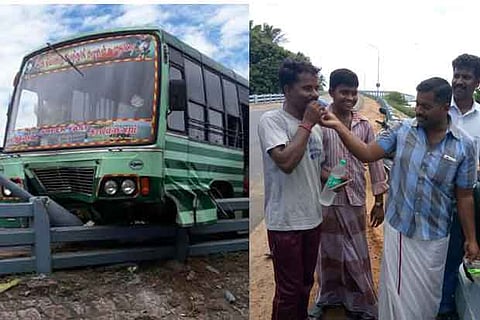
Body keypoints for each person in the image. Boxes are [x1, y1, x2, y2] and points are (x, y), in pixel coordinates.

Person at [319, 77, 480, 320]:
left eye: (425, 106)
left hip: (435, 236)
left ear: (445, 108)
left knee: (428, 298)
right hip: (401, 231)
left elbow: (465, 195)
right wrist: (339, 127)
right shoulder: (401, 131)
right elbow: (367, 153)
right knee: (397, 297)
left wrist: (471, 239)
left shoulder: (464, 146)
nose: (418, 110)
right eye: (417, 104)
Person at [309, 69, 388, 320]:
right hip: (326, 199)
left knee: (356, 251)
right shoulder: (318, 123)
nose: (350, 98)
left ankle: (362, 301)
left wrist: (378, 201)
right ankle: (328, 298)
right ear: (331, 92)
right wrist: (328, 176)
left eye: (354, 93)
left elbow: (374, 162)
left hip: (354, 199)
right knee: (328, 251)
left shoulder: (363, 125)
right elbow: (310, 162)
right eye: (344, 92)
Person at [257, 58, 326, 320]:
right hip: (285, 222)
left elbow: (311, 165)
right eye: (307, 88)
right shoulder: (271, 121)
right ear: (287, 90)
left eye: (316, 88)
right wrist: (307, 124)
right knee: (288, 290)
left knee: (306, 284)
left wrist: (330, 178)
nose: (315, 94)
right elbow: (286, 162)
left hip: (312, 218)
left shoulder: (314, 130)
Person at [438, 53, 480, 320]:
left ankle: (456, 306)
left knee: (465, 250)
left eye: (466, 77)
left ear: (477, 82)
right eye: (457, 75)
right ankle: (441, 307)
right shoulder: (440, 110)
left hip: (471, 197)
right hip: (440, 197)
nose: (459, 81)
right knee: (438, 255)